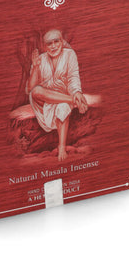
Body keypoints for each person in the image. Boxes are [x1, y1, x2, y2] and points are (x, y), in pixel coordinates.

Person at [26, 29, 88, 161]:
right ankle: (73, 101)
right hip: (43, 99)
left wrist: (77, 92)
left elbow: (73, 77)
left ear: (62, 42)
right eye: (49, 43)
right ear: (44, 46)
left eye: (56, 42)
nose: (53, 46)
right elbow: (30, 88)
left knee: (63, 107)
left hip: (62, 96)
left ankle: (61, 147)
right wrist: (35, 67)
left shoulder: (69, 54)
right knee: (36, 91)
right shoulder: (40, 59)